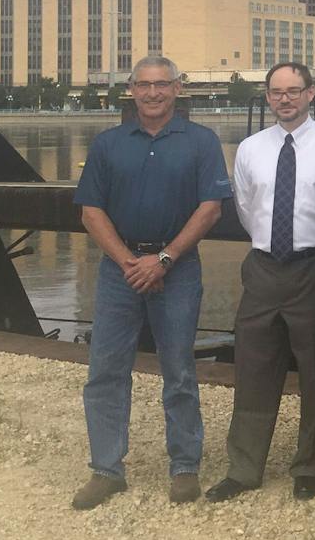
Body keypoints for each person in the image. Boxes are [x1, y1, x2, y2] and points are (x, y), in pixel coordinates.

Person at [71, 55, 231, 510]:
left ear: (178, 88)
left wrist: (162, 260)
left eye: (162, 84)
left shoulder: (201, 142)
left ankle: (184, 466)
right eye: (144, 85)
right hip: (119, 270)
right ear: (132, 89)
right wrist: (130, 263)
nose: (154, 93)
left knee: (178, 369)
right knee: (106, 369)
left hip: (177, 268)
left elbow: (211, 209)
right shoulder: (108, 145)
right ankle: (106, 469)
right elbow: (90, 212)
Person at [205, 62, 315, 504]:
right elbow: (247, 208)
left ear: (310, 94)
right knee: (253, 367)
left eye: (294, 91)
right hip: (264, 267)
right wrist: (269, 243)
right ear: (267, 97)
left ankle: (309, 466)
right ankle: (244, 468)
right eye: (276, 92)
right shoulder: (249, 148)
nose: (285, 99)